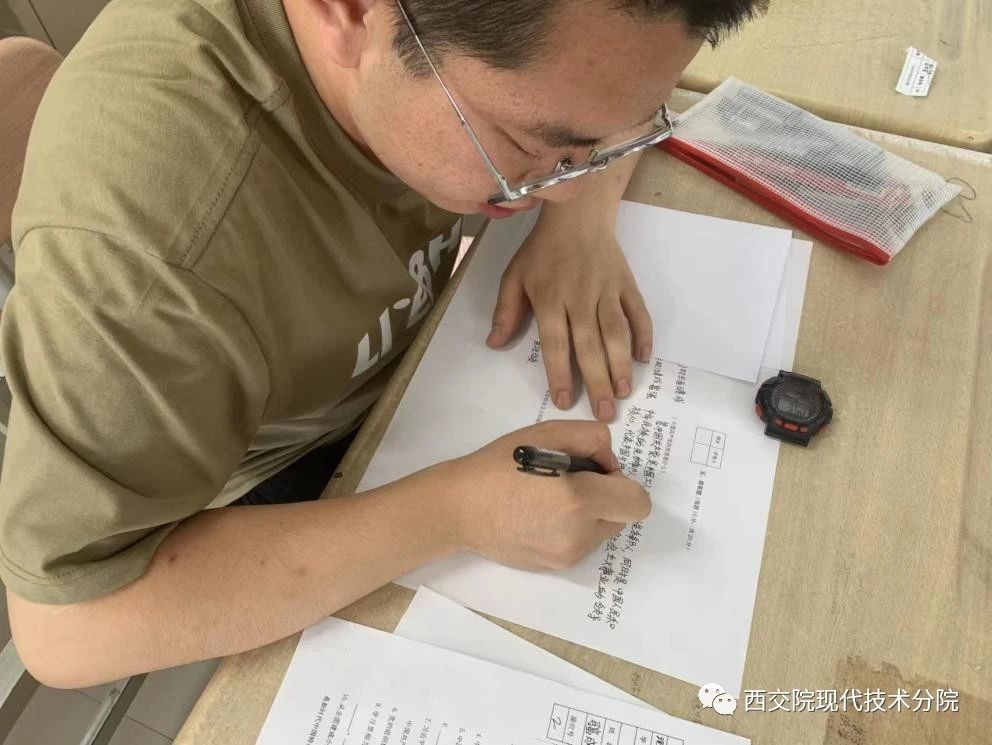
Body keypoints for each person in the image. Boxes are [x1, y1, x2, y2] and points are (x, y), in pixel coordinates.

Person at [0, 0, 765, 687]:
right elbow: (66, 627)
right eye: (536, 145)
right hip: (276, 472)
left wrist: (579, 219)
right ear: (347, 12)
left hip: (410, 367)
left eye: (593, 149)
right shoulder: (157, 258)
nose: (562, 182)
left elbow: (613, 71)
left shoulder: (460, 56)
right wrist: (454, 513)